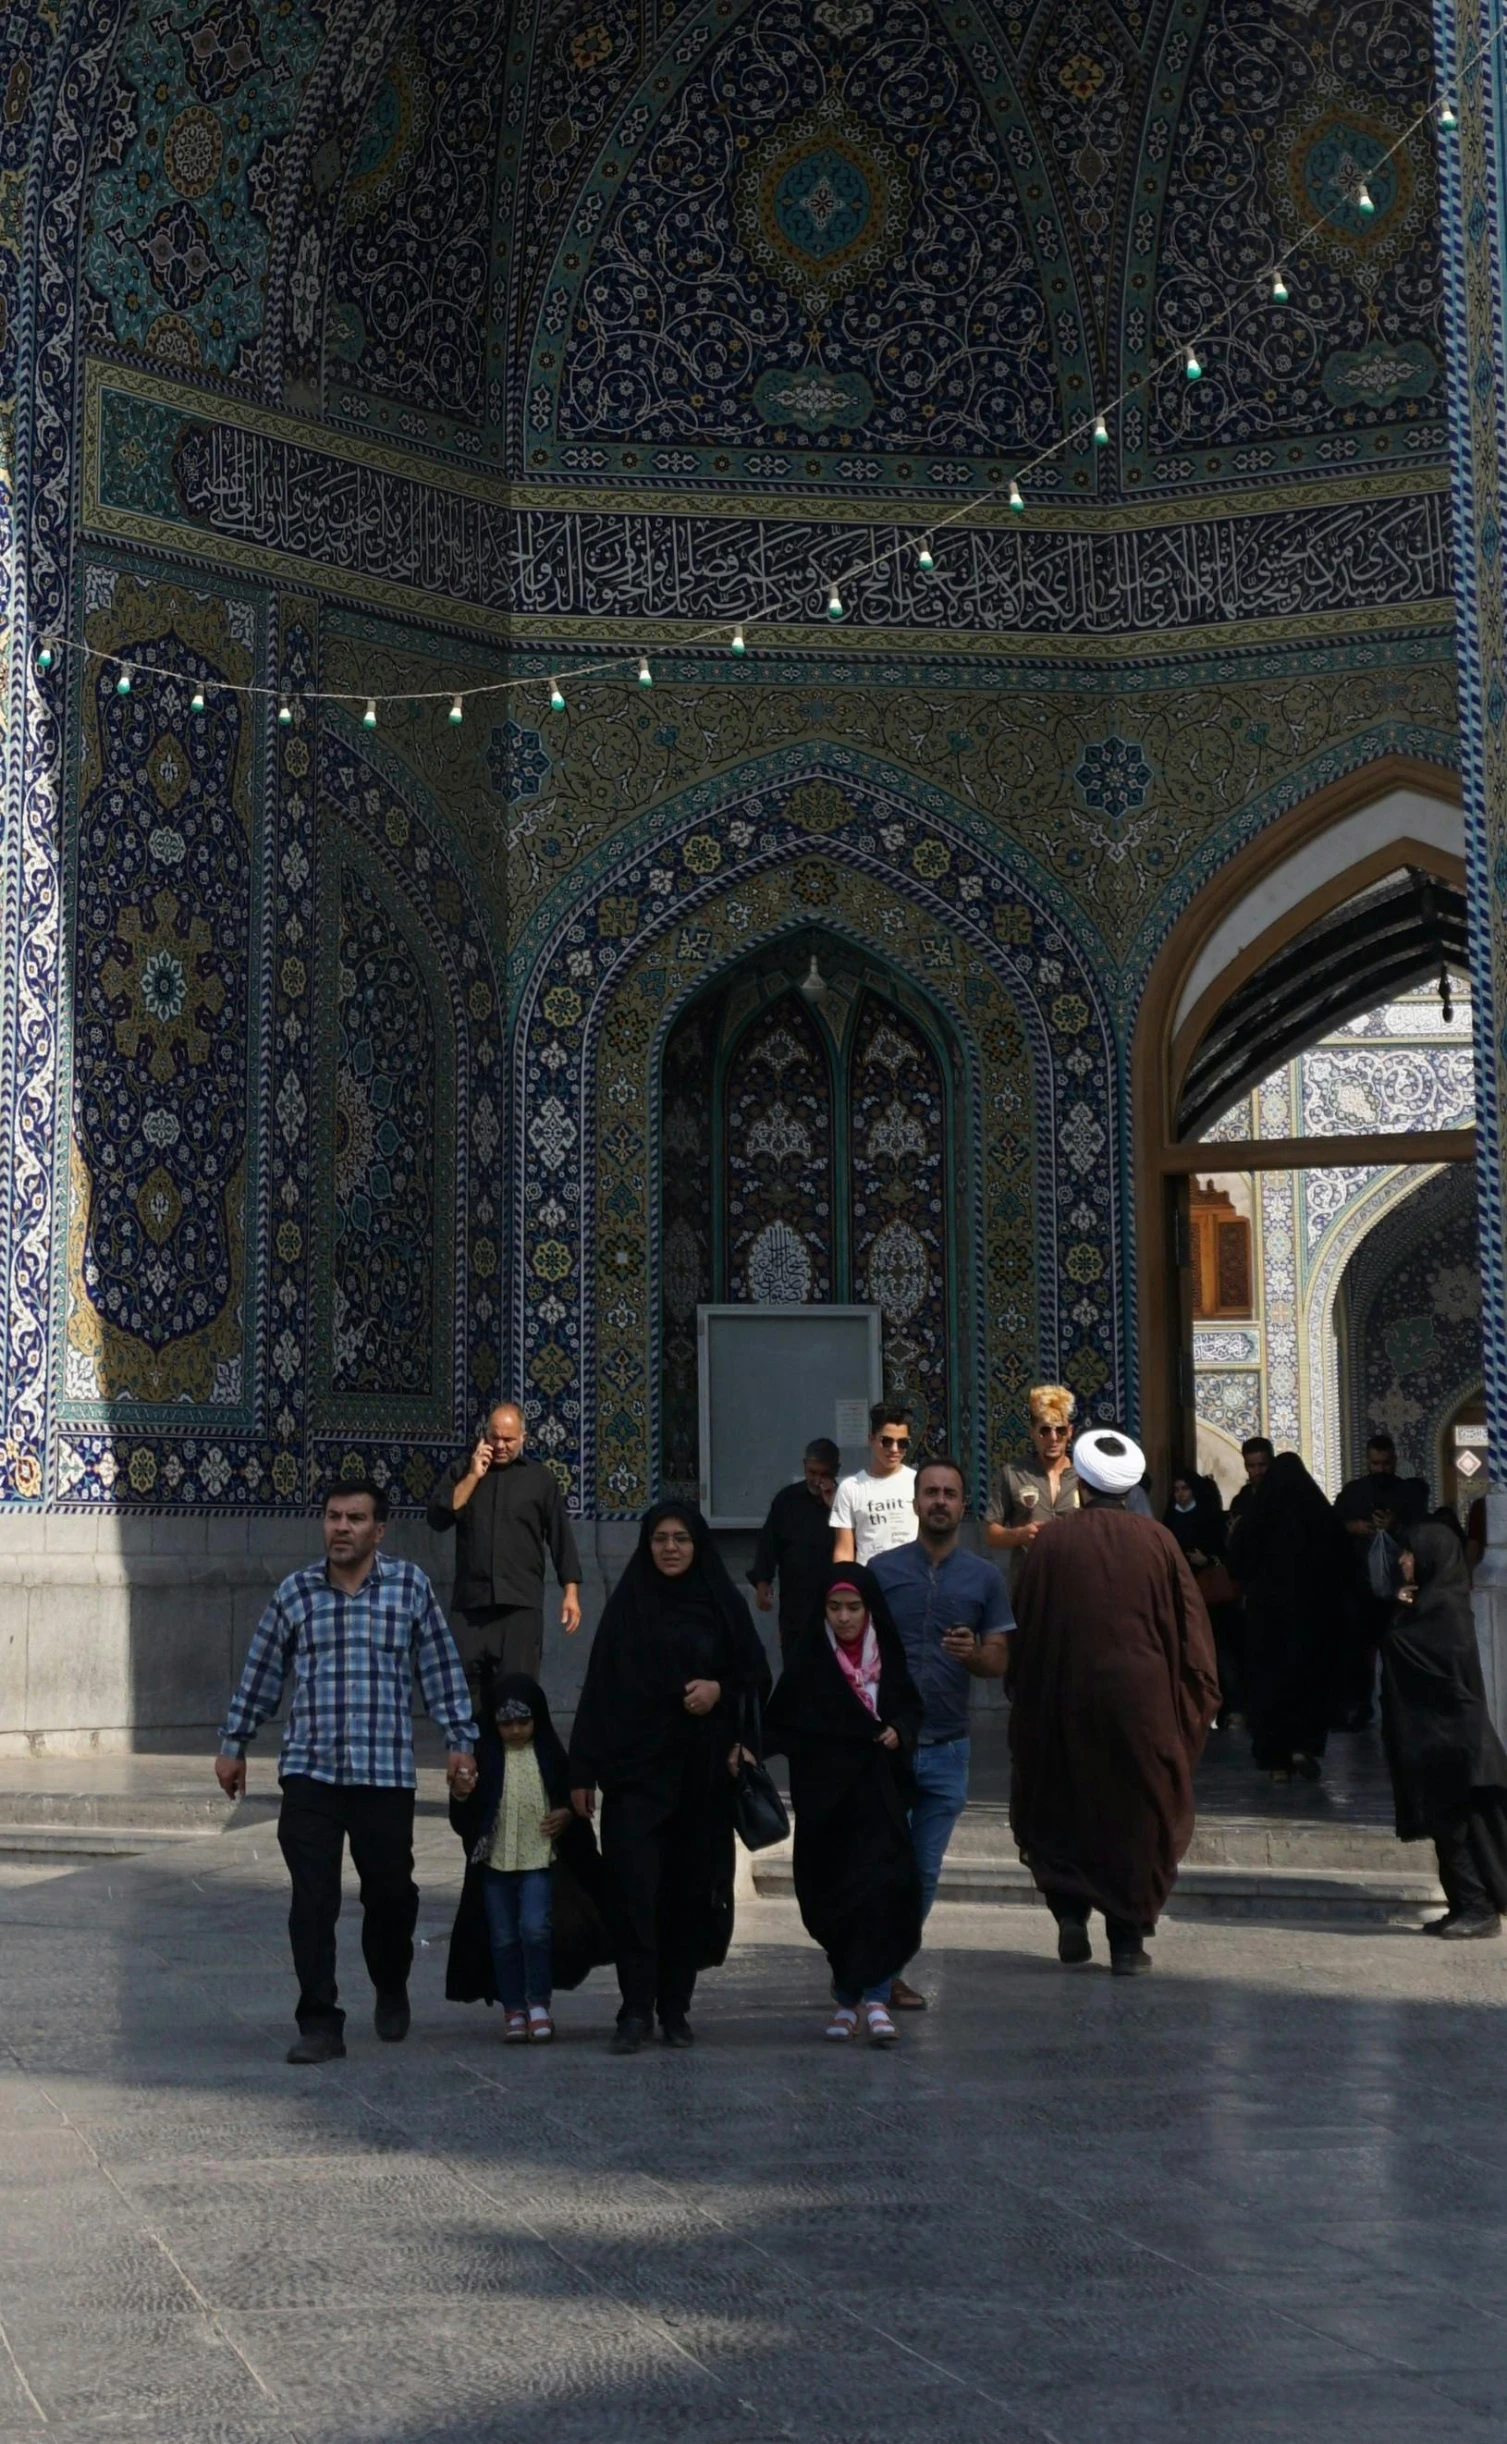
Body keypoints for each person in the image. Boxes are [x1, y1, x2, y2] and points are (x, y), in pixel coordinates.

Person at [216, 1480, 479, 2064]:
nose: (341, 1528)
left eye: (355, 1518)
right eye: (333, 1517)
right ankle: (319, 2021)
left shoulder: (409, 1588)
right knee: (313, 1899)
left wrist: (461, 1741)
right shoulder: (296, 1593)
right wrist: (235, 1742)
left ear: (378, 1530)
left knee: (390, 1894)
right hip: (312, 1770)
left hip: (383, 1774)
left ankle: (390, 1980)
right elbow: (261, 1671)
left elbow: (439, 1668)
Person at [1009, 1428, 1219, 1975]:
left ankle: (1070, 1912)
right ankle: (1127, 1940)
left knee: (1063, 1799)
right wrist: (1190, 1703)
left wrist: (1029, 1690)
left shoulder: (1050, 1542)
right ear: (1128, 1489)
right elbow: (1191, 1633)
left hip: (1065, 1696)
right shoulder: (1159, 1542)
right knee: (1136, 1813)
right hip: (1142, 1703)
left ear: (1079, 1480)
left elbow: (1023, 1625)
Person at [567, 1501, 771, 2054]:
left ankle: (675, 2008)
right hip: (635, 1776)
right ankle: (634, 2009)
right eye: (660, 1538)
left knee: (687, 1895)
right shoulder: (629, 1604)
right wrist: (582, 1770)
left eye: (681, 1538)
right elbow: (600, 1688)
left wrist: (718, 1693)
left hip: (700, 1779)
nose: (671, 1548)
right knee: (633, 1893)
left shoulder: (720, 1602)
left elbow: (755, 1675)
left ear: (698, 1544)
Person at [870, 1457, 1012, 2007]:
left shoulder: (984, 1578)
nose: (940, 1501)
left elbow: (998, 1661)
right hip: (889, 1748)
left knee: (923, 1875)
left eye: (950, 1494)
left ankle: (888, 1970)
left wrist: (973, 1655)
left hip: (949, 1747)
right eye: (931, 1492)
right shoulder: (881, 1572)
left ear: (962, 1505)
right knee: (884, 1870)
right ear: (915, 1501)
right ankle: (873, 1980)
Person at [763, 1565, 924, 2046]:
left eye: (854, 1608)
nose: (845, 1618)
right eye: (835, 1608)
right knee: (835, 1898)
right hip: (826, 1805)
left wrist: (900, 1729)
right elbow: (781, 1720)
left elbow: (910, 1706)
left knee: (880, 1893)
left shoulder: (887, 1655)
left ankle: (873, 2001)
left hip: (877, 1799)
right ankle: (847, 1997)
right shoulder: (810, 1661)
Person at [445, 1668, 613, 2039]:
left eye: (524, 1721)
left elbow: (568, 1795)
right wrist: (461, 1792)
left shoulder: (549, 1756)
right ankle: (513, 2010)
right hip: (495, 1865)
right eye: (507, 1723)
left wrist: (567, 1813)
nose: (517, 1730)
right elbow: (466, 1817)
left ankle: (538, 2003)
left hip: (539, 1861)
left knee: (536, 1930)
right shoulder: (485, 1759)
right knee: (504, 1937)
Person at [1382, 1521, 1507, 1938]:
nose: (1402, 1562)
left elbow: (1414, 1654)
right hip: (1439, 1740)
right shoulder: (1430, 1606)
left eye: (1410, 1555)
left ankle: (1479, 1908)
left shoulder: (1446, 1611)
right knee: (1444, 1825)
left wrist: (1399, 1616)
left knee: (1458, 1828)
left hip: (1455, 1741)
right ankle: (1461, 1905)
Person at [427, 1402, 582, 1679]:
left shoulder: (539, 1479)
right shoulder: (463, 1470)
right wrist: (473, 1476)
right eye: (494, 1437)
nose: (500, 1445)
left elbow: (560, 1536)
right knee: (465, 1693)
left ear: (523, 1438)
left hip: (519, 1605)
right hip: (470, 1606)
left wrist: (570, 1592)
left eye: (508, 1439)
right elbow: (439, 1518)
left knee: (516, 1699)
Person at [1226, 1451, 1350, 1780]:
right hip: (1313, 1618)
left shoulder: (1257, 1515)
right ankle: (1302, 1747)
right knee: (1307, 1682)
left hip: (1267, 1620)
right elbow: (1345, 1562)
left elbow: (1237, 1561)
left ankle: (1276, 1760)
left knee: (1269, 1684)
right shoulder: (1319, 1514)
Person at [1333, 1433, 1429, 1730]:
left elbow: (1421, 1531)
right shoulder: (1353, 1493)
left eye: (1386, 1463)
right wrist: (1354, 1527)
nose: (1381, 1469)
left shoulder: (1406, 1493)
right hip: (1360, 1588)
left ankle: (1398, 1705)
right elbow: (1333, 1526)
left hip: (1399, 1588)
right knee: (1359, 1649)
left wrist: (1395, 1526)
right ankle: (1360, 1706)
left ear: (1394, 1461)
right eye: (1375, 1463)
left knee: (1399, 1647)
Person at [1164, 1468, 1241, 1726]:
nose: (1181, 1495)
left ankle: (1230, 1707)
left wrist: (1206, 1559)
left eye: (1185, 1489)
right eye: (1176, 1490)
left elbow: (1225, 1555)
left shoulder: (1209, 1517)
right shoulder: (1170, 1517)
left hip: (1211, 1598)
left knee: (1219, 1651)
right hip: (1182, 1593)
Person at [749, 1438, 841, 1656]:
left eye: (824, 1474)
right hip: (795, 1602)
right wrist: (763, 1582)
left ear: (836, 1470)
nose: (817, 1480)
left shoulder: (846, 1500)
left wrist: (835, 1507)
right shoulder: (787, 1500)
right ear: (804, 1466)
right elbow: (769, 1543)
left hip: (836, 1601)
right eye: (812, 1472)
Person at [985, 1383, 1081, 1590]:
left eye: (1060, 1430)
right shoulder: (1013, 1473)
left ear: (1070, 1432)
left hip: (1075, 1584)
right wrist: (1019, 1535)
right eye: (1045, 1430)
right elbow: (990, 1533)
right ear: (1032, 1432)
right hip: (1029, 1584)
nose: (1053, 1438)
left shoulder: (1083, 1477)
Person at [830, 1402, 918, 1566]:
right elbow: (844, 1550)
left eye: (902, 1443)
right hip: (870, 1582)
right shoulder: (851, 1487)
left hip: (911, 1582)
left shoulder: (918, 1483)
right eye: (886, 1441)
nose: (894, 1449)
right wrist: (844, 1586)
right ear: (871, 1439)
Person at [1228, 1435, 1274, 1526]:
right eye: (1251, 1466)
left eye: (1262, 1465)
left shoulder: (1284, 1496)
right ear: (1245, 1466)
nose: (1257, 1472)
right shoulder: (1241, 1500)